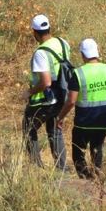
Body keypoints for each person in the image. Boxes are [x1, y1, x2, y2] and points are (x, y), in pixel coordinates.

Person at [57, 38, 106, 179]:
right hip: (104, 121)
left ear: (82, 55)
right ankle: (97, 176)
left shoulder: (78, 73)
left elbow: (71, 101)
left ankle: (86, 181)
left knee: (78, 152)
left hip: (84, 122)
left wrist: (60, 117)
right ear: (97, 52)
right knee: (97, 148)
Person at [24, 14, 71, 171]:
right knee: (55, 130)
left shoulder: (40, 52)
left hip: (46, 100)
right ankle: (61, 170)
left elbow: (46, 82)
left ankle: (36, 168)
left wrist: (30, 92)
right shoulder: (62, 43)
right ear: (49, 28)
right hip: (62, 96)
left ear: (34, 32)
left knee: (28, 128)